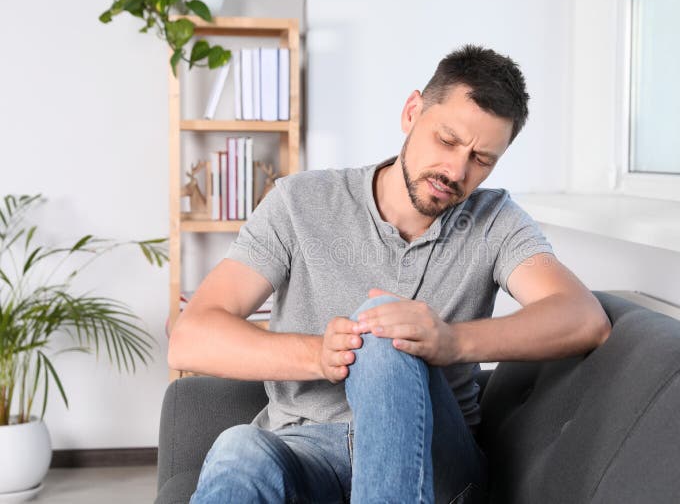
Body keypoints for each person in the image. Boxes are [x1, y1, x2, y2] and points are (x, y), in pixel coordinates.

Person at [169, 44, 611, 503]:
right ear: (412, 111)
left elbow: (582, 317)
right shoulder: (299, 203)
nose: (457, 170)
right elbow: (192, 336)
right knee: (237, 447)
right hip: (303, 451)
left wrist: (451, 342)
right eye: (447, 140)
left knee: (384, 324)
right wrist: (321, 355)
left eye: (482, 159)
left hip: (434, 460)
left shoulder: (496, 221)